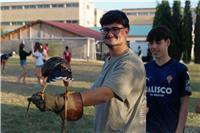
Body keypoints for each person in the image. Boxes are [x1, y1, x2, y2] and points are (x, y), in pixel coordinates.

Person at [31, 10, 146, 133]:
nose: (110, 33)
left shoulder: (129, 63)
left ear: (126, 31)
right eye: (106, 30)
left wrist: (61, 102)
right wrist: (67, 97)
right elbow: (95, 92)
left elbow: (105, 94)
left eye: (115, 29)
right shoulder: (110, 60)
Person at [145, 26, 192, 133]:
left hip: (171, 129)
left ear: (167, 42)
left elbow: (184, 103)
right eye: (151, 43)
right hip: (148, 128)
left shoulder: (180, 69)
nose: (154, 46)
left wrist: (179, 130)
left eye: (158, 42)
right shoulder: (145, 68)